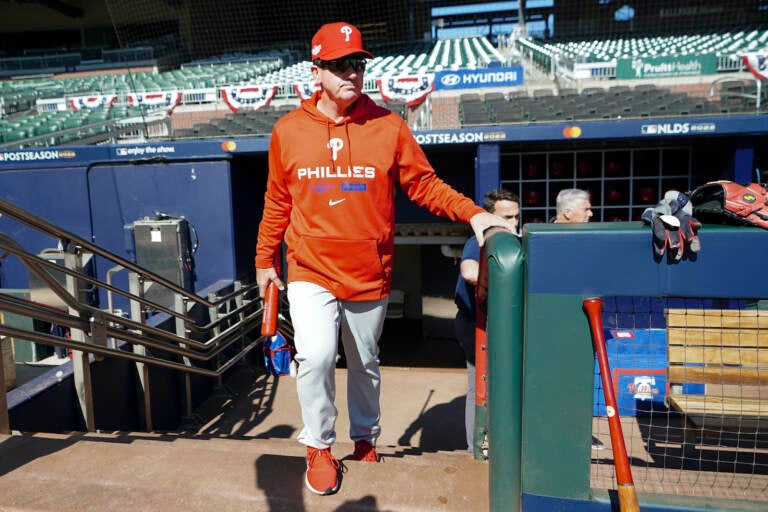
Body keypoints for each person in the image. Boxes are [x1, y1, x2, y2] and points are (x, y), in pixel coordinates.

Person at [254, 21, 516, 496]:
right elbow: (277, 202)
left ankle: (365, 438)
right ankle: (318, 445)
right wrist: (263, 260)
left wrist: (476, 216)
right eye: (339, 65)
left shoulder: (388, 125)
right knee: (314, 356)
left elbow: (425, 185)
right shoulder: (288, 130)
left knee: (365, 361)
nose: (351, 73)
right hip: (310, 267)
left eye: (357, 63)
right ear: (317, 72)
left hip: (367, 272)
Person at [453, 189, 520, 453]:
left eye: (515, 216)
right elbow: (469, 271)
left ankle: (501, 442)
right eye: (506, 216)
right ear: (488, 217)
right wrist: (506, 278)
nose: (512, 223)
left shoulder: (512, 239)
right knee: (479, 384)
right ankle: (476, 447)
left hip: (500, 324)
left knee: (502, 384)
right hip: (475, 324)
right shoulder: (480, 240)